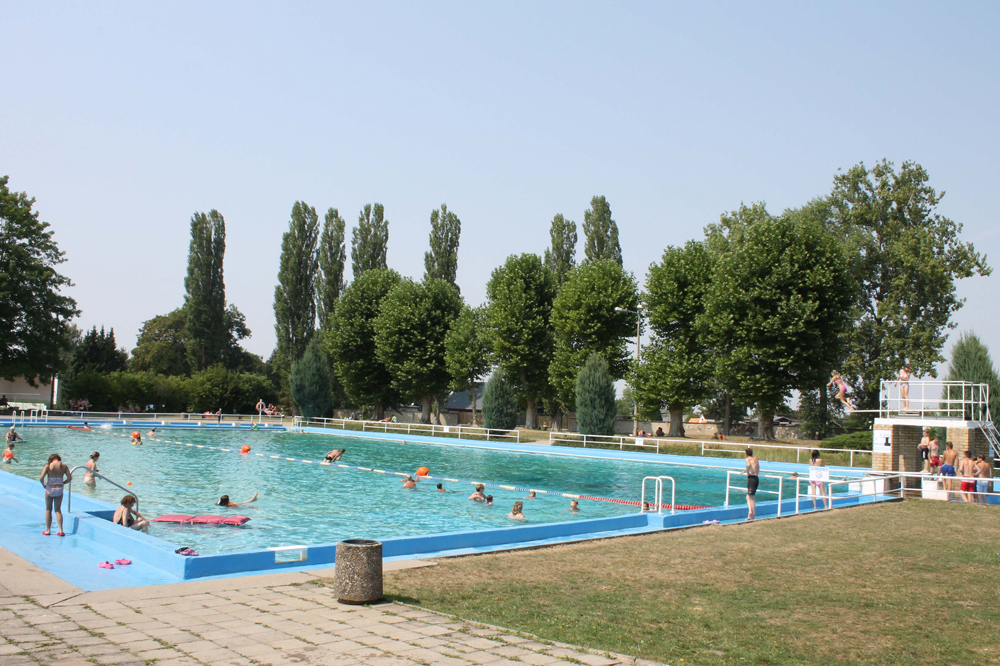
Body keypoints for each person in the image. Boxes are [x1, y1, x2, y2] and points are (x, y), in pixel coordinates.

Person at [40, 454, 71, 536]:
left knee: (48, 509)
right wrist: (63, 483)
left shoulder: (48, 466)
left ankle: (48, 530)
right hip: (59, 489)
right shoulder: (64, 466)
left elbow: (41, 478)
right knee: (58, 510)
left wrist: (43, 484)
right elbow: (70, 478)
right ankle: (61, 530)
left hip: (50, 488)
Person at [741, 447, 759, 521]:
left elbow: (748, 465)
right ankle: (753, 514)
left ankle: (751, 512)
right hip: (756, 478)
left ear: (746, 453)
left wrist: (745, 471)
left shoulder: (747, 459)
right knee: (751, 497)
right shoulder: (756, 458)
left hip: (751, 478)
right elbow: (757, 467)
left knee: (749, 497)